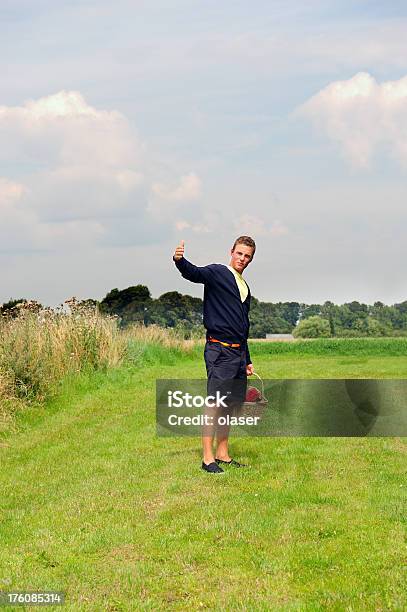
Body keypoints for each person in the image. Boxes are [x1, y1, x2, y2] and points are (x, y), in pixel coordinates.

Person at [173, 236, 256, 473]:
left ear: (251, 259)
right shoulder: (218, 273)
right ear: (231, 252)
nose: (242, 259)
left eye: (247, 256)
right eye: (239, 253)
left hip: (238, 354)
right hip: (219, 350)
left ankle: (223, 453)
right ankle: (207, 458)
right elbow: (194, 273)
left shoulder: (244, 287)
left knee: (230, 406)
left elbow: (242, 326)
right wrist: (179, 261)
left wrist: (247, 359)